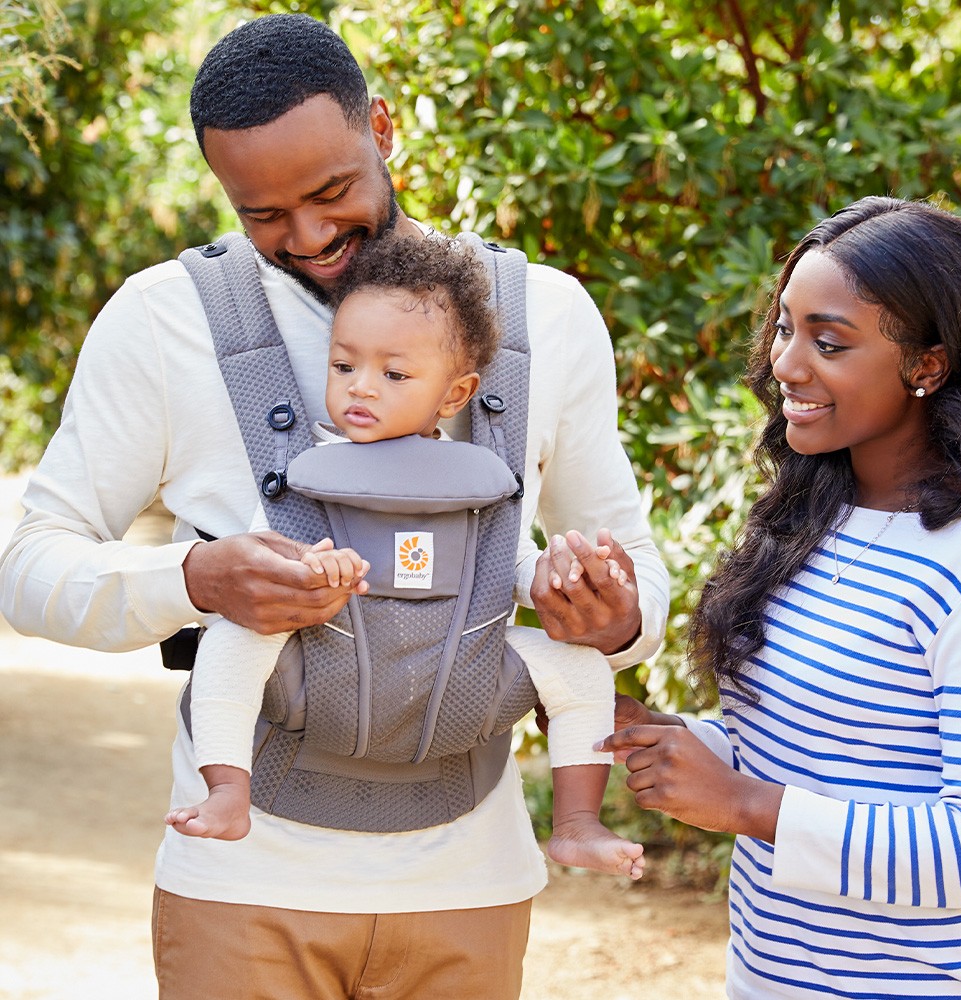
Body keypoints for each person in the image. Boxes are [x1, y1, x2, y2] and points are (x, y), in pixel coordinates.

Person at [0, 13, 669, 999]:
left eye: (330, 192)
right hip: (242, 889)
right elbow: (28, 567)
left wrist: (616, 615)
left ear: (384, 129)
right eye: (261, 214)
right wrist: (193, 577)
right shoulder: (160, 320)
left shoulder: (545, 318)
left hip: (469, 887)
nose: (306, 238)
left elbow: (635, 573)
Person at [599, 195, 961, 998]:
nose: (785, 362)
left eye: (829, 341)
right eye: (785, 327)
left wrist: (746, 804)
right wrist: (667, 741)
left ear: (928, 365)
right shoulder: (814, 514)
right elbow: (812, 749)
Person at [165, 232, 645, 881]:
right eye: (344, 367)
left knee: (582, 668)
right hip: (317, 681)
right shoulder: (311, 468)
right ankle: (227, 788)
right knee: (232, 640)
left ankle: (578, 822)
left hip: (465, 683)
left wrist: (556, 579)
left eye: (393, 374)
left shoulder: (480, 475)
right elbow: (266, 555)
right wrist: (310, 571)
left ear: (455, 395)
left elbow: (504, 565)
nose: (361, 389)